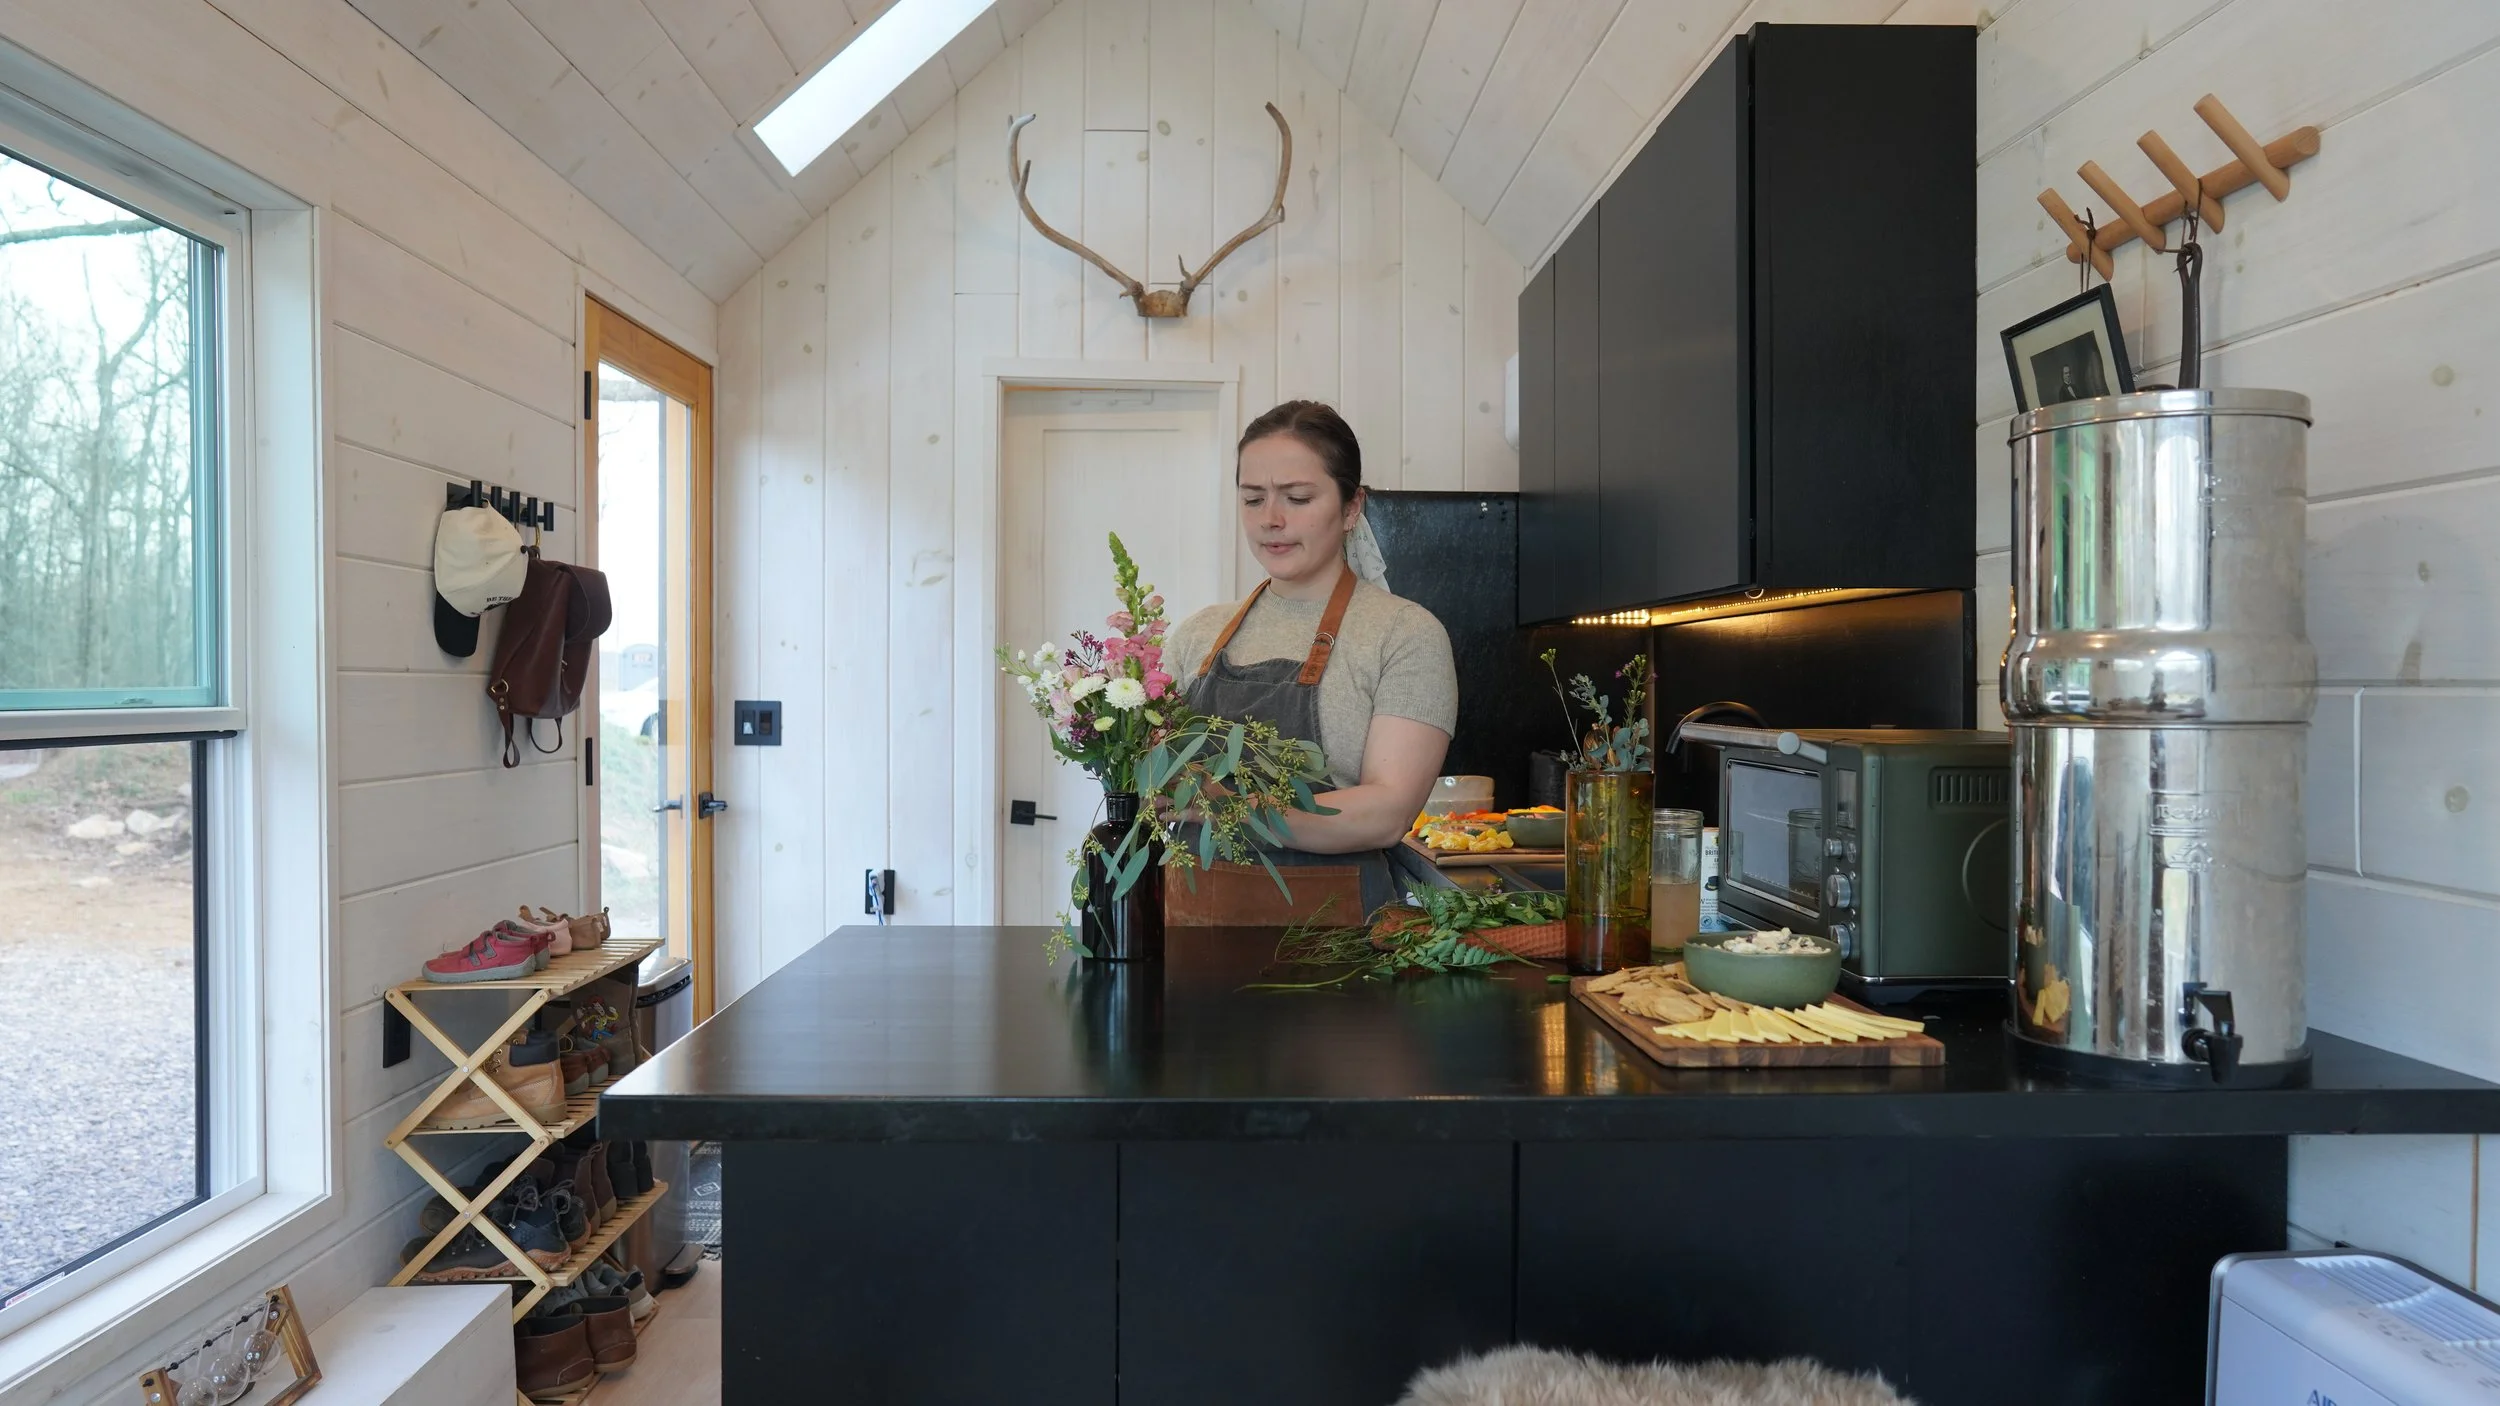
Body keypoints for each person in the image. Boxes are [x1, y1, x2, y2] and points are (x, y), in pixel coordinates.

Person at [1161, 401, 1457, 922]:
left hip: (1335, 952)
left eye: (1297, 498)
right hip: (1188, 934)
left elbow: (1385, 814)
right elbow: (1153, 784)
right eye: (1253, 499)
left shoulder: (1404, 635)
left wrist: (1224, 805)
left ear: (1351, 507)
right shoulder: (1197, 635)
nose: (1271, 520)